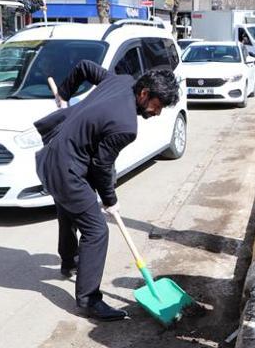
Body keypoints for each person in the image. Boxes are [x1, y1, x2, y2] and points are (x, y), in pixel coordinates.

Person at [34, 60, 179, 321]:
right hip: (66, 169)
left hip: (52, 156)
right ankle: (89, 300)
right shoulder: (126, 126)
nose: (156, 113)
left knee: (69, 210)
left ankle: (69, 262)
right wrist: (111, 200)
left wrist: (64, 92)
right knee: (96, 230)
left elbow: (84, 67)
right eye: (157, 106)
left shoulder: (121, 81)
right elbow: (102, 166)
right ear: (144, 93)